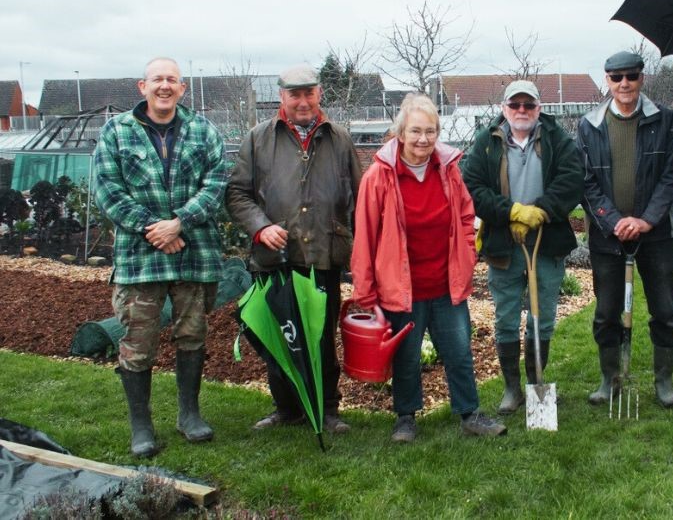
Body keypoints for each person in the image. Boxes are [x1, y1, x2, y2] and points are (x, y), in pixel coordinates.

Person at [351, 93, 507, 442]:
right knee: (406, 358)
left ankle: (470, 413)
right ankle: (405, 417)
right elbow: (364, 235)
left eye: (431, 131)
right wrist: (365, 290)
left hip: (445, 284)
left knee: (459, 352)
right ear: (401, 133)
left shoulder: (449, 170)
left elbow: (467, 216)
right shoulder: (379, 176)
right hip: (400, 289)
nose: (423, 139)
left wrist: (467, 254)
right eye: (416, 131)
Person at [94, 57, 226, 457]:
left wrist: (180, 222)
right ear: (142, 87)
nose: (164, 86)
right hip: (140, 258)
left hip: (194, 255)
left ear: (182, 89)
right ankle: (141, 426)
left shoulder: (204, 131)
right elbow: (107, 191)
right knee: (137, 342)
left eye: (172, 80)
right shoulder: (115, 133)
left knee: (192, 335)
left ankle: (189, 415)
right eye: (157, 79)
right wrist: (157, 228)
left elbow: (217, 182)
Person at [226, 64, 361, 434]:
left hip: (324, 255)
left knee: (321, 337)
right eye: (294, 94)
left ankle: (327, 409)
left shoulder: (340, 139)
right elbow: (237, 194)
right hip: (275, 258)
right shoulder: (258, 139)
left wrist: (360, 253)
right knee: (281, 336)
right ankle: (287, 408)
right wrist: (260, 226)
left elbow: (359, 200)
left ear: (319, 94)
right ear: (282, 96)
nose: (303, 101)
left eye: (309, 93)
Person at [462, 80, 583, 415]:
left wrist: (540, 210)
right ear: (504, 109)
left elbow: (572, 179)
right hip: (505, 244)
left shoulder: (558, 140)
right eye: (514, 105)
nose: (521, 111)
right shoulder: (487, 143)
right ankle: (511, 389)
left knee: (541, 318)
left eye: (528, 105)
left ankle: (535, 385)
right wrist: (512, 212)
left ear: (539, 109)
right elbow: (472, 186)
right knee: (504, 318)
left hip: (546, 244)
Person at [577, 51, 673, 408]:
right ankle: (610, 378)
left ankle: (663, 380)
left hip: (655, 235)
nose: (624, 84)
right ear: (606, 80)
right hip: (607, 236)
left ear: (642, 78)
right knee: (607, 310)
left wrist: (646, 219)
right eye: (617, 77)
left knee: (664, 307)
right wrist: (613, 220)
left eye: (631, 76)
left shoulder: (664, 121)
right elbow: (586, 181)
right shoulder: (588, 125)